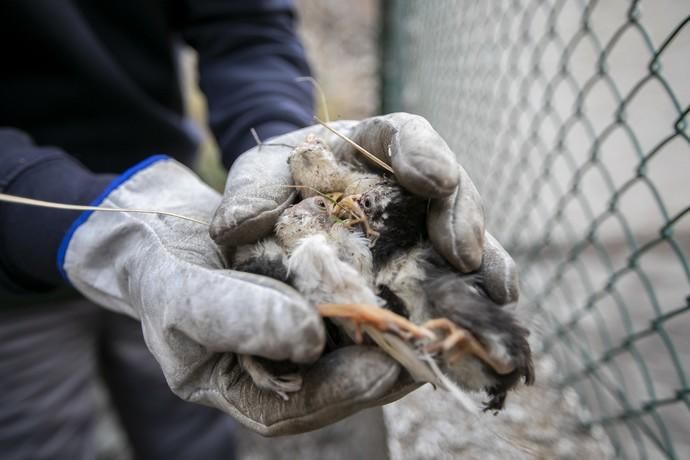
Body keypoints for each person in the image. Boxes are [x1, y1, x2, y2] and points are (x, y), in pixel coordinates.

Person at [0, 1, 519, 459]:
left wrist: (274, 139)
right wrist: (93, 221)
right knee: (38, 434)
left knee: (191, 398)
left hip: (167, 190)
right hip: (14, 272)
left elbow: (244, 23)